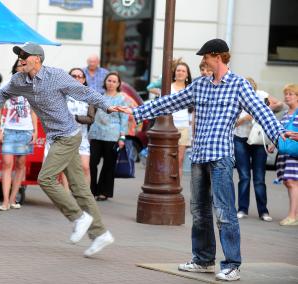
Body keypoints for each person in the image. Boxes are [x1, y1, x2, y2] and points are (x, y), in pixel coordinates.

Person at [114, 38, 290, 281]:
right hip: (199, 155)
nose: (203, 61)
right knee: (199, 211)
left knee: (225, 212)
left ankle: (231, 265)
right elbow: (170, 101)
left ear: (218, 56)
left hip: (221, 157)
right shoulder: (200, 85)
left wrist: (280, 134)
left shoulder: (239, 85)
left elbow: (261, 112)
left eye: (205, 57)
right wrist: (137, 111)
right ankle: (203, 259)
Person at [0, 42, 116, 257]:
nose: (20, 59)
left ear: (37, 58)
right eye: (19, 56)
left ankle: (78, 217)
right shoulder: (19, 79)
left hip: (69, 136)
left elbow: (84, 92)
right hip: (56, 138)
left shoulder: (55, 76)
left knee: (45, 179)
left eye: (24, 56)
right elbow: (1, 94)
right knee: (80, 189)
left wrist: (107, 105)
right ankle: (100, 233)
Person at [234, 77, 282, 222]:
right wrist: (247, 117)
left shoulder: (261, 95)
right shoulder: (235, 97)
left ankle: (263, 211)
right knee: (244, 176)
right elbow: (234, 122)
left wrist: (266, 108)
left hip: (259, 140)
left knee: (260, 178)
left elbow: (280, 105)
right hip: (240, 138)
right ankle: (242, 209)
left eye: (251, 86)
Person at [0, 59, 37, 211]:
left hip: (26, 130)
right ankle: (5, 200)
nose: (23, 67)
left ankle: (12, 199)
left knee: (20, 165)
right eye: (21, 65)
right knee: (7, 163)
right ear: (15, 68)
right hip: (9, 130)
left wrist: (35, 130)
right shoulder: (7, 84)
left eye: (26, 65)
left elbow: (33, 110)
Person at [88, 72, 128, 201]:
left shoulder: (121, 99)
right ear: (105, 82)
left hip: (112, 135)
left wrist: (122, 137)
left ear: (118, 84)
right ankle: (90, 190)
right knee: (91, 163)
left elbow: (125, 118)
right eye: (109, 80)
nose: (111, 83)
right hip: (96, 134)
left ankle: (104, 192)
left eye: (114, 81)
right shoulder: (99, 96)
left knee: (109, 165)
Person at [272, 83, 298, 226]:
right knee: (289, 183)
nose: (287, 96)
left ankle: (292, 216)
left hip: (294, 154)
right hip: (285, 154)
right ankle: (294, 214)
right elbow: (280, 133)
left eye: (291, 94)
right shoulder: (285, 114)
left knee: (292, 182)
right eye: (286, 94)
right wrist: (272, 145)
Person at [171, 61, 193, 179]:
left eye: (183, 71)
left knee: (179, 160)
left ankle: (176, 187)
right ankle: (166, 185)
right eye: (178, 70)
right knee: (168, 158)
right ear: (175, 72)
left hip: (184, 127)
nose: (180, 73)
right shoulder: (168, 87)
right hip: (170, 127)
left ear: (187, 74)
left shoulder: (190, 89)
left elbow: (193, 110)